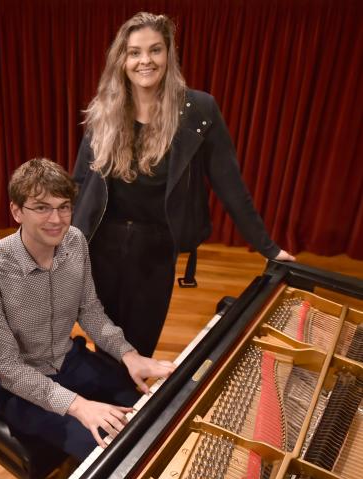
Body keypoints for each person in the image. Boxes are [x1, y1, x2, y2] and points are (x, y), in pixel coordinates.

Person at [72, 12, 295, 358]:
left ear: (169, 55)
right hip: (102, 243)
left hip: (157, 246)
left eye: (155, 50)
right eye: (134, 52)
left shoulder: (198, 109)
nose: (145, 60)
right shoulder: (105, 109)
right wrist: (59, 245)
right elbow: (80, 182)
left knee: (140, 343)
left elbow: (230, 185)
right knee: (104, 336)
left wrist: (268, 248)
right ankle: (109, 401)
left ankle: (127, 401)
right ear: (122, 59)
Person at [0, 158, 175, 461]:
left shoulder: (75, 241)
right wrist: (79, 405)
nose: (57, 219)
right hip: (18, 386)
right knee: (108, 453)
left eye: (64, 207)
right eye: (42, 207)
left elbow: (90, 310)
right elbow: (9, 368)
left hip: (69, 360)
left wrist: (130, 356)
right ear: (16, 211)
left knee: (152, 414)